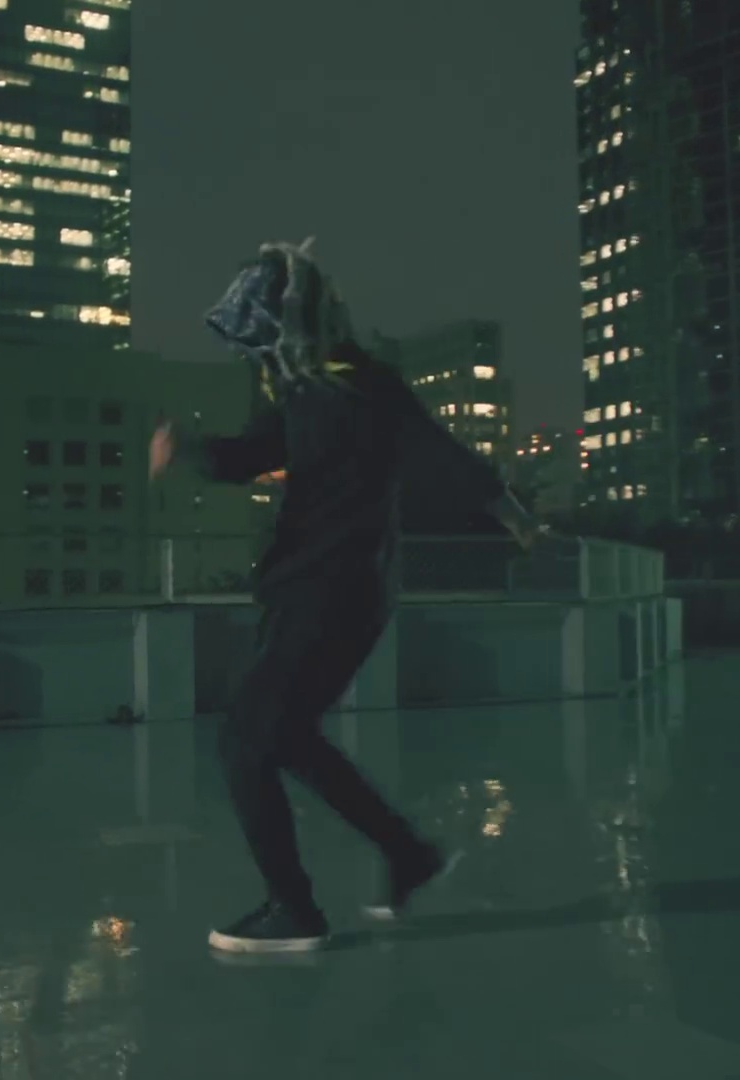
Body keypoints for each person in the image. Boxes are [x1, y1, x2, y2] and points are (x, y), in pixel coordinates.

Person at [150, 239, 549, 955]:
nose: (260, 351)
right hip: (300, 584)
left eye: (266, 328)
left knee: (246, 742)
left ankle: (295, 909)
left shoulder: (364, 385)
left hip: (340, 588)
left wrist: (513, 515)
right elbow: (250, 455)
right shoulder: (298, 391)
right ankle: (409, 854)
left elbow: (440, 452)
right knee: (286, 737)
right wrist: (192, 451)